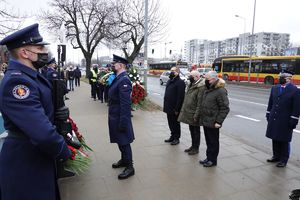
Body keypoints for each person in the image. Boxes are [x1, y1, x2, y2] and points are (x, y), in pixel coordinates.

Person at [0, 23, 71, 200]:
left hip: (36, 156)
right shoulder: (18, 83)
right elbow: (42, 134)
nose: (44, 50)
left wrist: (56, 113)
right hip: (25, 162)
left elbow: (39, 108)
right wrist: (63, 150)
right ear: (24, 53)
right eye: (39, 47)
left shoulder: (31, 75)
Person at [108, 54, 135, 180]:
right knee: (120, 140)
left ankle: (130, 167)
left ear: (121, 65)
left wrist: (123, 121)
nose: (113, 65)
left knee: (124, 142)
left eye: (115, 63)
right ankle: (124, 160)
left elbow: (125, 103)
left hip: (120, 116)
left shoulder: (124, 79)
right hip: (115, 115)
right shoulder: (119, 77)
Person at [265, 70, 300, 167]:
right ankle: (276, 156)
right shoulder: (275, 88)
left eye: (281, 77)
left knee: (284, 140)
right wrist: (268, 114)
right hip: (274, 117)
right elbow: (270, 103)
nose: (278, 78)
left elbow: (296, 107)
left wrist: (294, 119)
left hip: (286, 119)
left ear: (288, 79)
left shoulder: (295, 90)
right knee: (275, 137)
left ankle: (284, 159)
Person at [199, 71, 229, 167]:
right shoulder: (208, 89)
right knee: (209, 141)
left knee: (213, 142)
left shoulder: (220, 91)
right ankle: (208, 157)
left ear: (213, 79)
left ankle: (213, 160)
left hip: (213, 121)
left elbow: (225, 108)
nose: (205, 81)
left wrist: (218, 121)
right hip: (206, 120)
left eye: (206, 79)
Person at [178, 70, 205, 155]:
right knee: (192, 130)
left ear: (197, 77)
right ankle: (192, 146)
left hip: (194, 114)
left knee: (196, 132)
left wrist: (196, 115)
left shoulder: (201, 86)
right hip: (189, 112)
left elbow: (199, 103)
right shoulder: (191, 84)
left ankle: (196, 148)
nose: (189, 77)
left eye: (191, 76)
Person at [163, 66, 186, 145]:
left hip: (174, 108)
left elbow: (180, 97)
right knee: (170, 123)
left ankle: (176, 138)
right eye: (171, 70)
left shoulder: (180, 82)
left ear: (177, 72)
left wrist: (177, 109)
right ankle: (172, 136)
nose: (172, 72)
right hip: (168, 107)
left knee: (176, 123)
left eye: (173, 71)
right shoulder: (170, 80)